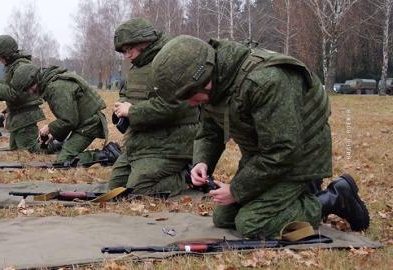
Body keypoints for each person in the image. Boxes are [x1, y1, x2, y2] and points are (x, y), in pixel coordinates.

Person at [150, 35, 370, 238]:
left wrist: (237, 190)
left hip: (300, 158)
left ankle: (335, 198)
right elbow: (210, 131)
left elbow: (284, 150)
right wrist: (201, 162)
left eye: (189, 95)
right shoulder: (216, 84)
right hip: (266, 158)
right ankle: (297, 196)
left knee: (252, 223)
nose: (189, 102)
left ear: (205, 79)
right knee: (224, 218)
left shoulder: (266, 80)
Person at [109, 18, 199, 196]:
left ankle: (188, 176)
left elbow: (173, 106)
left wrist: (132, 111)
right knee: (116, 187)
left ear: (144, 41)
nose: (127, 55)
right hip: (142, 141)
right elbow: (126, 94)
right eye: (124, 51)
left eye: (129, 49)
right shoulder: (137, 67)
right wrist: (121, 108)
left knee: (139, 190)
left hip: (173, 142)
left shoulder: (172, 60)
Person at [10, 64, 120, 165]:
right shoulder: (52, 82)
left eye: (29, 88)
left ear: (35, 81)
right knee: (65, 156)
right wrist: (53, 134)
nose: (30, 92)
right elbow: (69, 117)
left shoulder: (56, 87)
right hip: (84, 123)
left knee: (64, 161)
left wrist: (49, 128)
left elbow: (70, 120)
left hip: (89, 125)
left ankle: (107, 155)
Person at [0, 35, 45, 152]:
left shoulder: (22, 67)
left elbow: (13, 94)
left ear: (6, 55)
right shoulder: (13, 67)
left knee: (31, 151)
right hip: (18, 116)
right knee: (15, 149)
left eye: (0, 57)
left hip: (26, 117)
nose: (0, 60)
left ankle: (57, 145)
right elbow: (11, 90)